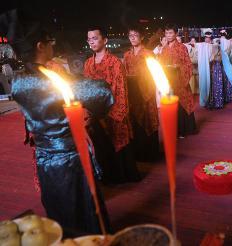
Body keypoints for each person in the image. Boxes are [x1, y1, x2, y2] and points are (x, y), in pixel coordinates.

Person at [11, 27, 111, 235]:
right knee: (83, 209)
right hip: (69, 157)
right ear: (40, 46)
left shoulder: (18, 81)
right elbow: (102, 93)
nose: (53, 44)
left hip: (44, 158)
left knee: (58, 208)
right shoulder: (50, 80)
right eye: (50, 40)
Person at [84, 26, 141, 183]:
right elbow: (87, 90)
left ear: (105, 40)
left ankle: (123, 175)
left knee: (119, 140)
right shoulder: (88, 64)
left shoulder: (115, 63)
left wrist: (115, 113)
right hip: (95, 114)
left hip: (113, 111)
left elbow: (121, 90)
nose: (91, 42)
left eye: (95, 38)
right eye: (89, 39)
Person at [123, 25, 159, 162]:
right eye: (130, 35)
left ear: (142, 37)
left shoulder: (149, 54)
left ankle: (151, 154)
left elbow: (154, 73)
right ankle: (138, 153)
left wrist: (147, 87)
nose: (132, 38)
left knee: (148, 120)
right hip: (132, 92)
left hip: (146, 90)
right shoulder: (126, 55)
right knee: (134, 121)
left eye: (135, 35)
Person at [160, 23, 197, 138]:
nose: (168, 35)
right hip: (168, 81)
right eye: (166, 33)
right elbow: (161, 64)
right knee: (171, 106)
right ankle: (173, 131)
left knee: (182, 105)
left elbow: (187, 65)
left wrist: (179, 70)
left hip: (180, 80)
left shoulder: (182, 47)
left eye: (171, 33)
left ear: (176, 34)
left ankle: (183, 130)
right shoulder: (164, 49)